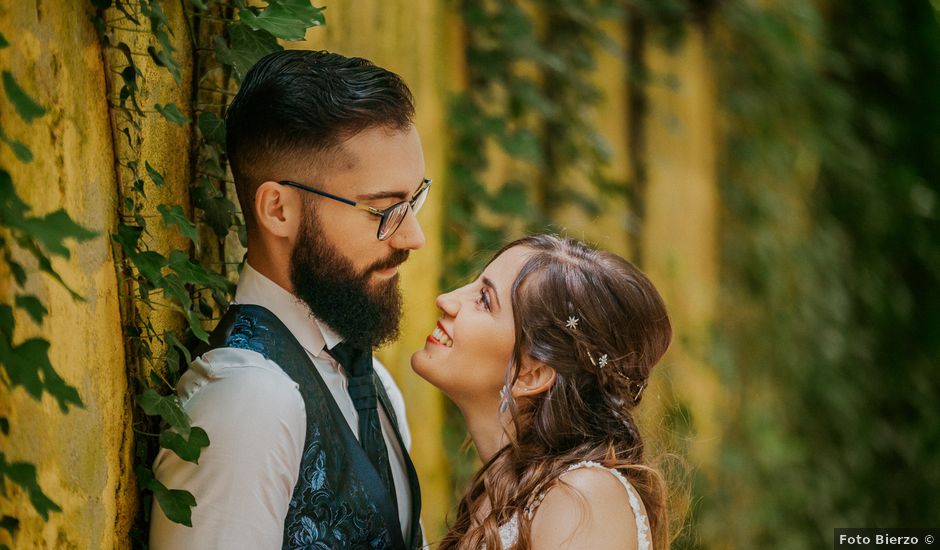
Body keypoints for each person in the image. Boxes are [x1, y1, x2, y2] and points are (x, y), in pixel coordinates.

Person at [150, 50, 427, 549]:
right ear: (278, 209)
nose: (413, 237)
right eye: (384, 210)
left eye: (415, 201)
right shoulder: (247, 403)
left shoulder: (376, 384)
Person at [412, 234, 672, 550]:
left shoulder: (582, 500)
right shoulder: (494, 499)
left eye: (484, 299)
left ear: (531, 374)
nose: (446, 299)